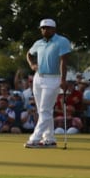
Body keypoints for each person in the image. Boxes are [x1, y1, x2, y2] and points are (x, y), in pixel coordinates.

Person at [25, 18, 72, 148]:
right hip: (38, 78)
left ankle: (35, 139)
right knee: (42, 111)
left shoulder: (62, 41)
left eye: (48, 27)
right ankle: (49, 138)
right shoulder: (38, 43)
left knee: (45, 109)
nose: (45, 30)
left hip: (53, 78)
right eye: (43, 28)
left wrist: (63, 79)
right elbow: (29, 54)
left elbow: (64, 61)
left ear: (54, 29)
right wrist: (32, 64)